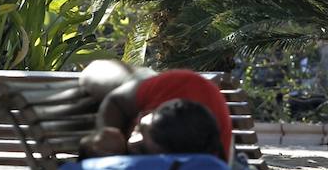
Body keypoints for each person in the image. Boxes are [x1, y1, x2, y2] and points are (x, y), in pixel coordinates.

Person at [78, 61, 234, 163]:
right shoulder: (178, 85)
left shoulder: (207, 164)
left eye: (142, 150)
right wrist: (107, 131)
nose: (130, 143)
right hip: (146, 83)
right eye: (140, 125)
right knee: (92, 73)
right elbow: (116, 100)